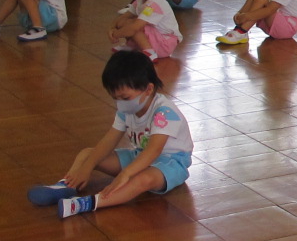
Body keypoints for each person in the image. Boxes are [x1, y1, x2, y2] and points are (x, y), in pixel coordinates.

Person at [32, 51, 193, 219]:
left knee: (143, 180)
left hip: (170, 163)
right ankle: (65, 186)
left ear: (148, 88)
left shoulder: (164, 112)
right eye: (116, 98)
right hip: (139, 156)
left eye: (125, 97)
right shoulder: (128, 108)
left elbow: (153, 151)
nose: (121, 103)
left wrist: (126, 174)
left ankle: (87, 203)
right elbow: (109, 140)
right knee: (87, 154)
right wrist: (87, 166)